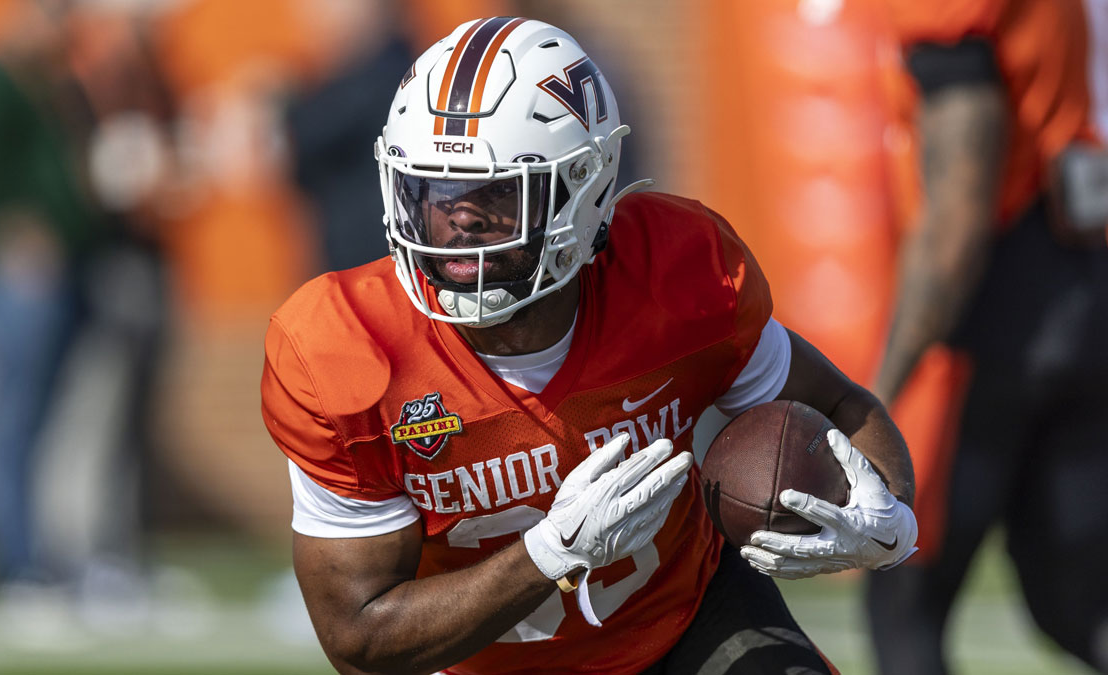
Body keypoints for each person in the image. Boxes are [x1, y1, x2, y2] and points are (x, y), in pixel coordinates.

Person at [261, 17, 918, 675]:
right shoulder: (345, 348)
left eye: (495, 191)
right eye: (434, 190)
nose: (460, 219)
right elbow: (359, 638)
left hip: (684, 625)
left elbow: (837, 403)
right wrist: (550, 552)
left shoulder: (676, 275)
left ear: (585, 187)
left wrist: (891, 525)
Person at [867, 0, 1108, 672]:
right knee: (1080, 604)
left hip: (989, 326)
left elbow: (959, 216)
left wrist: (870, 396)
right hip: (1082, 297)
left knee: (900, 586)